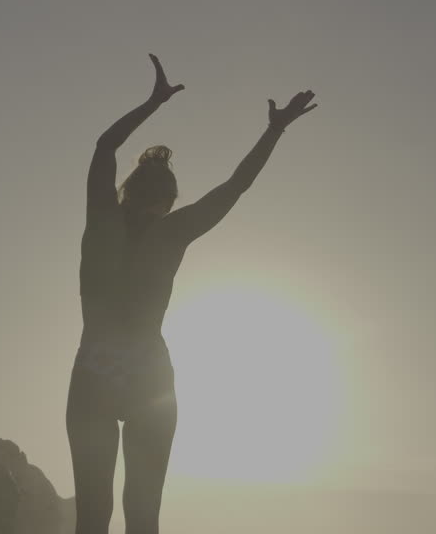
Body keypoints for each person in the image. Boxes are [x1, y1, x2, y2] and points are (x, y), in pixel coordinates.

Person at [66, 53, 316, 534]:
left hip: (96, 374)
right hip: (148, 378)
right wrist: (275, 129)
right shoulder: (172, 231)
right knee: (142, 516)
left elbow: (105, 146)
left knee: (94, 517)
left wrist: (153, 103)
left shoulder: (104, 220)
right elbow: (236, 186)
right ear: (167, 201)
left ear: (127, 190)